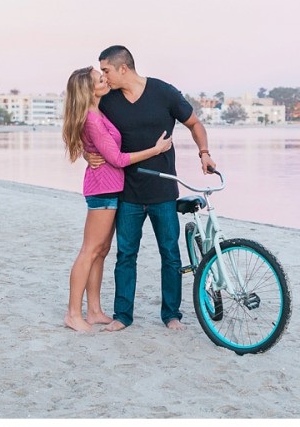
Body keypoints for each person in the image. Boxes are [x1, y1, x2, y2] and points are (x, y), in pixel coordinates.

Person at [89, 45, 216, 332]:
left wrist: (204, 152)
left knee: (170, 254)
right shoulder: (108, 101)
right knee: (126, 255)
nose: (104, 77)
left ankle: (171, 315)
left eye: (106, 70)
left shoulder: (163, 92)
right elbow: (88, 127)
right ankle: (123, 315)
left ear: (123, 68)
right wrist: (87, 153)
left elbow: (195, 124)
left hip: (163, 192)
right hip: (127, 192)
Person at [62, 66, 173, 332]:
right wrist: (156, 150)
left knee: (101, 252)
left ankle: (95, 310)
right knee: (89, 251)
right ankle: (73, 313)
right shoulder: (92, 118)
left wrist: (88, 153)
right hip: (102, 189)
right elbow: (118, 159)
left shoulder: (99, 111)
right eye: (99, 79)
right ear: (89, 89)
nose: (104, 79)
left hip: (112, 189)